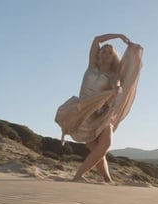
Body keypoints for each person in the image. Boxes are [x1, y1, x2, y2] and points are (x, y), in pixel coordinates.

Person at [55, 33, 143, 183]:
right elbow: (97, 40)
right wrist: (119, 36)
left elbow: (117, 85)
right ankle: (107, 179)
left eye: (110, 52)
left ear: (114, 56)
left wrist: (117, 89)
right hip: (83, 113)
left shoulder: (114, 75)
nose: (107, 54)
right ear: (99, 55)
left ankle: (78, 175)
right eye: (104, 51)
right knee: (96, 150)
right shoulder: (91, 66)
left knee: (105, 144)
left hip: (101, 114)